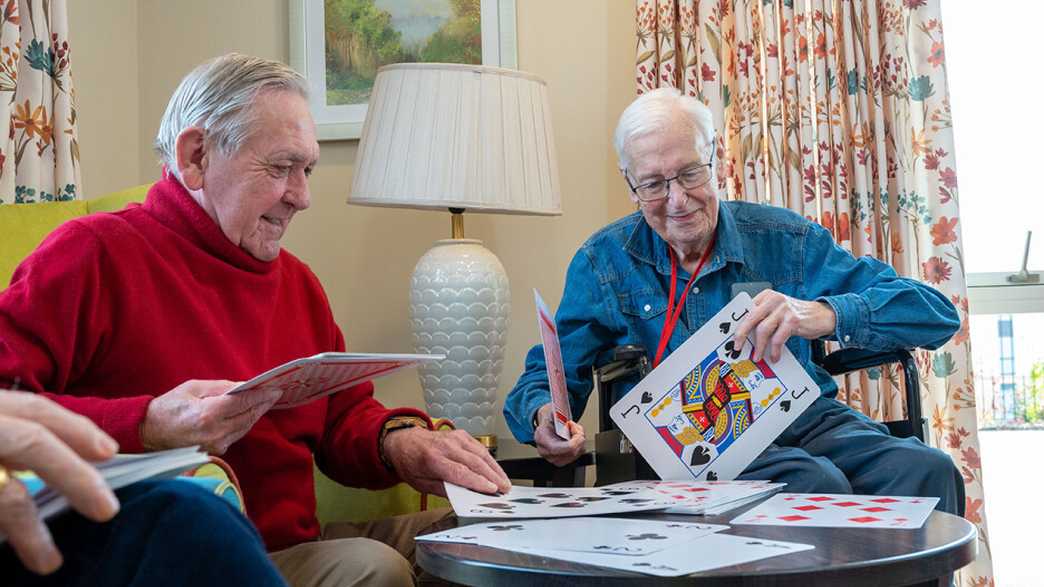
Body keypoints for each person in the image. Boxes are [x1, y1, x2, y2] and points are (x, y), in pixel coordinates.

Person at [0, 53, 510, 587]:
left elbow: (340, 418)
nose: (303, 196)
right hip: (191, 559)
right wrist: (148, 423)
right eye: (280, 167)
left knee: (498, 535)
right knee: (371, 567)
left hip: (300, 545)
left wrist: (400, 441)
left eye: (307, 169)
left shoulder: (298, 282)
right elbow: (10, 408)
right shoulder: (92, 254)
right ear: (196, 156)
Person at [503, 87, 963, 514]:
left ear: (715, 158)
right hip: (690, 444)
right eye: (654, 184)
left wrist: (822, 314)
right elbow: (547, 375)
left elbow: (936, 315)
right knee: (811, 481)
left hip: (805, 419)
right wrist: (546, 416)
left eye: (689, 173)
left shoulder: (786, 239)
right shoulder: (603, 261)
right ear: (631, 185)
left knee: (927, 470)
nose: (678, 200)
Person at [0, 390, 287, 587]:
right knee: (185, 520)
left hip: (276, 539)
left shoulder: (301, 302)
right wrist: (143, 422)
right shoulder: (60, 300)